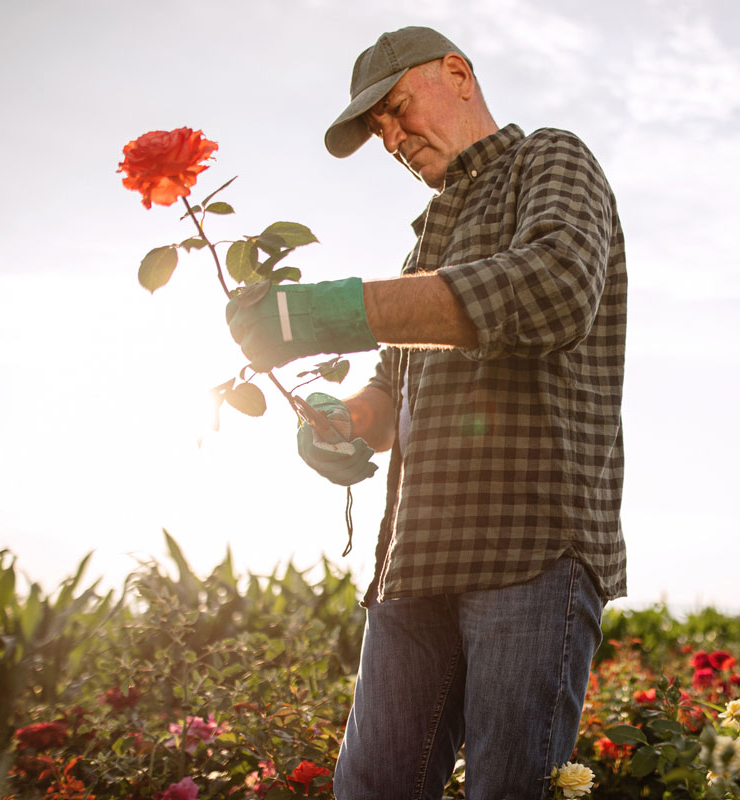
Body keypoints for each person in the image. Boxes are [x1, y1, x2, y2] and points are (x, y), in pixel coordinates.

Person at [223, 26, 627, 798]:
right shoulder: (421, 248)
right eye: (379, 131)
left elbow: (553, 285)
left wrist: (338, 310)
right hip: (413, 561)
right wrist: (340, 420)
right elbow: (390, 391)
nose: (393, 138)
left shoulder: (550, 159)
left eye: (399, 109)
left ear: (457, 73)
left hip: (528, 549)